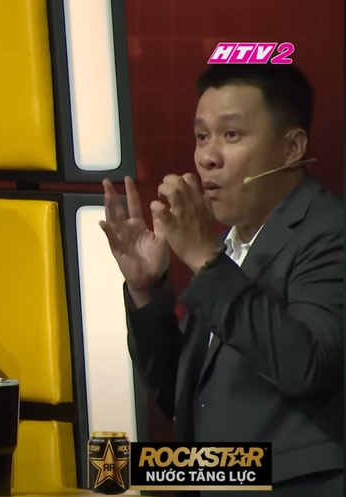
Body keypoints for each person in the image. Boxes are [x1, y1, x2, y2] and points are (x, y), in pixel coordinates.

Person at [101, 63, 343, 497]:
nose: (207, 157)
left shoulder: (330, 232)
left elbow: (305, 366)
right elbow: (184, 398)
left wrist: (205, 259)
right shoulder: (227, 249)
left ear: (292, 148)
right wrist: (146, 289)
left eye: (231, 134)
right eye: (201, 136)